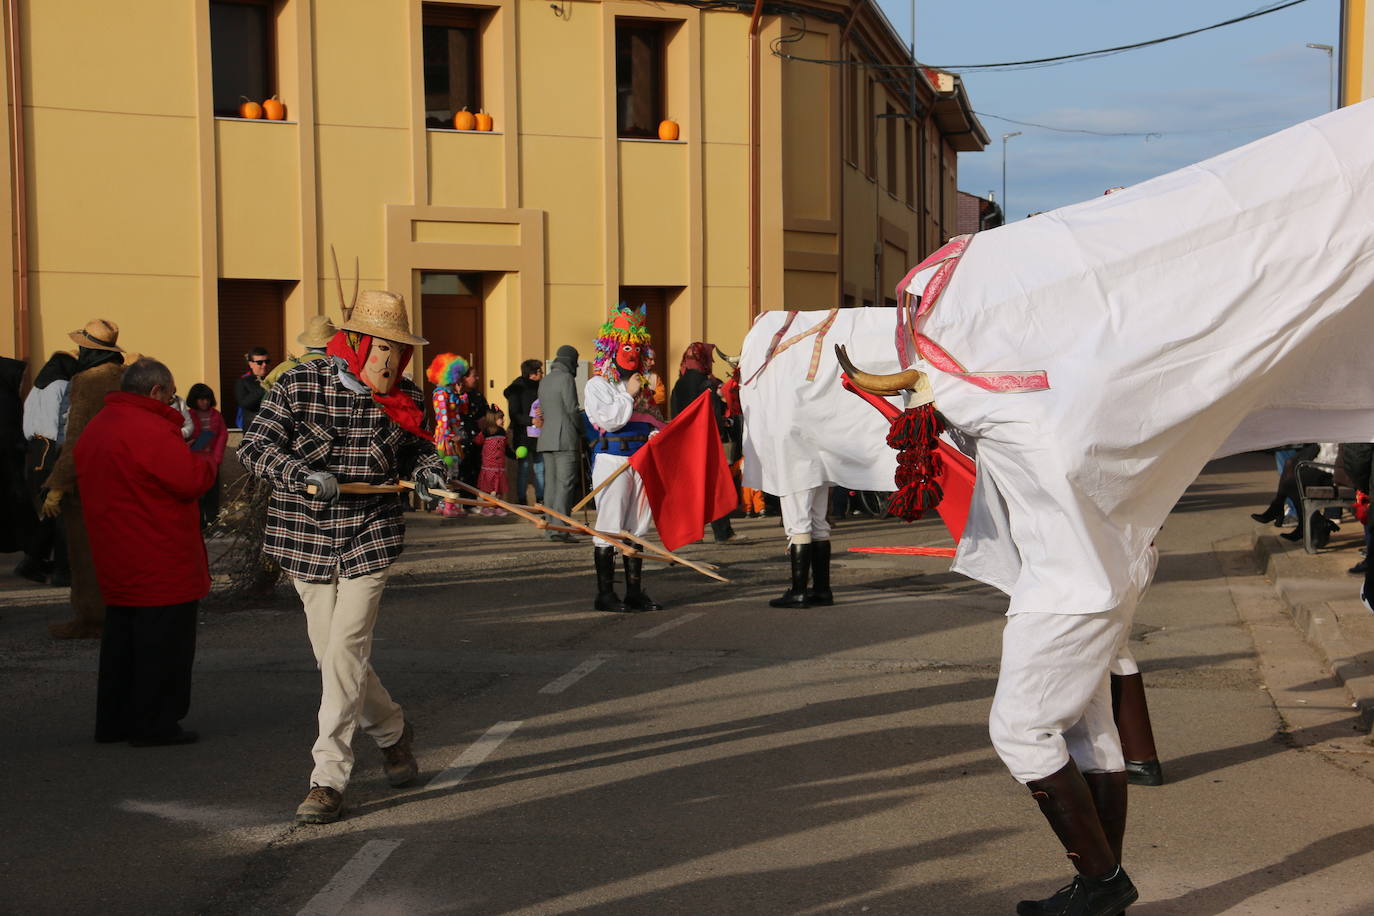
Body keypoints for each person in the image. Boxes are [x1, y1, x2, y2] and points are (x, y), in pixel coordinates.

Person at [238, 288, 445, 825]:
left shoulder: (409, 398)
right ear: (355, 342)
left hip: (370, 534)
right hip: (303, 537)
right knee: (334, 657)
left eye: (401, 351)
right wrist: (303, 475)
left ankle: (327, 778)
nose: (392, 360)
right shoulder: (299, 383)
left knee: (346, 650)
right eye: (384, 348)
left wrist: (429, 471)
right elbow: (254, 448)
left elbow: (419, 447)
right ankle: (395, 733)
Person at [76, 358, 219, 746]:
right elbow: (189, 479)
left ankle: (114, 721)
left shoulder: (100, 424)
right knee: (163, 646)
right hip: (159, 554)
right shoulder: (148, 428)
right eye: (171, 394)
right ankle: (154, 723)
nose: (174, 402)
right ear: (156, 391)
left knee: (122, 644)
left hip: (115, 552)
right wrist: (208, 457)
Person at [41, 319, 128, 639]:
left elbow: (76, 436)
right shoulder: (127, 376)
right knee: (119, 554)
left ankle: (91, 619)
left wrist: (58, 483)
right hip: (125, 479)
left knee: (85, 553)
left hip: (91, 481)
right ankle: (120, 617)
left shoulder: (88, 380)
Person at [585, 305, 664, 612]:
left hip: (641, 460)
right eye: (626, 347)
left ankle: (634, 591)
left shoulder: (643, 387)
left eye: (637, 347)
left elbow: (653, 422)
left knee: (638, 526)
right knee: (610, 525)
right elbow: (609, 421)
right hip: (613, 461)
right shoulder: (598, 385)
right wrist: (628, 394)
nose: (632, 353)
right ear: (614, 348)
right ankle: (605, 594)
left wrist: (657, 434)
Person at [670, 342, 742, 544]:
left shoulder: (679, 384)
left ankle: (691, 533)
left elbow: (675, 413)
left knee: (691, 488)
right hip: (705, 442)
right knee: (715, 487)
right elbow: (713, 413)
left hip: (684, 444)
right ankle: (723, 532)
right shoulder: (706, 383)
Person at [18, 351, 77, 586]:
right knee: (62, 511)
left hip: (34, 450)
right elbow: (63, 422)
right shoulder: (62, 385)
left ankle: (32, 562)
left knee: (51, 513)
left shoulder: (36, 389)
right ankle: (62, 570)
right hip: (52, 449)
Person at [538, 345, 582, 543]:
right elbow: (572, 409)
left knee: (551, 487)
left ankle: (550, 528)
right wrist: (582, 429)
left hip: (546, 438)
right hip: (565, 439)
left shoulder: (545, 380)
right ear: (572, 361)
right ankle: (561, 529)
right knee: (565, 486)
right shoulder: (566, 378)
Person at [427, 352, 469, 518]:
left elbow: (462, 410)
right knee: (448, 471)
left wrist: (460, 394)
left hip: (454, 436)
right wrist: (450, 437)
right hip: (447, 438)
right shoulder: (440, 393)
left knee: (454, 471)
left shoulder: (451, 393)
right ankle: (445, 504)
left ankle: (449, 504)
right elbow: (443, 418)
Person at [185, 383, 228, 528]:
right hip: (195, 461)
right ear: (194, 400)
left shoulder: (216, 415)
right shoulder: (188, 415)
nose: (205, 402)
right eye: (201, 399)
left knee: (213, 493)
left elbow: (222, 435)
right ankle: (199, 524)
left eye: (207, 399)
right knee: (197, 495)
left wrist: (217, 458)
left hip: (211, 461)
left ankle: (212, 522)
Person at [503, 359, 544, 505]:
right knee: (524, 469)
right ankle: (522, 500)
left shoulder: (541, 387)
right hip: (523, 435)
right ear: (531, 374)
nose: (542, 374)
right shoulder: (517, 389)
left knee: (540, 468)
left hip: (539, 435)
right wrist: (531, 420)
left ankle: (540, 499)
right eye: (540, 371)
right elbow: (514, 414)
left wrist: (543, 412)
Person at [263, 316, 337, 392]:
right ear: (333, 343)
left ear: (307, 345)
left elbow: (267, 396)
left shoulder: (284, 368)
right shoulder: (339, 368)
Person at [455, 364, 488, 494]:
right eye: (474, 376)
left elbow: (484, 415)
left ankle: (471, 502)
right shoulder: (455, 395)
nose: (477, 378)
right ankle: (459, 501)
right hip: (461, 439)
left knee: (475, 470)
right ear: (464, 378)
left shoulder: (478, 395)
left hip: (477, 439)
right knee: (462, 470)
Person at [476, 409, 511, 515]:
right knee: (487, 487)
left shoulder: (502, 432)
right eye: (501, 418)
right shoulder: (485, 432)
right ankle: (484, 507)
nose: (503, 420)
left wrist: (514, 456)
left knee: (498, 488)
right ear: (493, 419)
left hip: (500, 466)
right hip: (488, 465)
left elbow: (506, 447)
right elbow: (477, 442)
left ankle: (497, 507)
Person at [234, 346, 271, 430]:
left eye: (267, 361)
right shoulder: (243, 381)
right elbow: (244, 403)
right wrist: (263, 388)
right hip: (253, 429)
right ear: (251, 364)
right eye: (260, 362)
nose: (264, 365)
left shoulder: (274, 379)